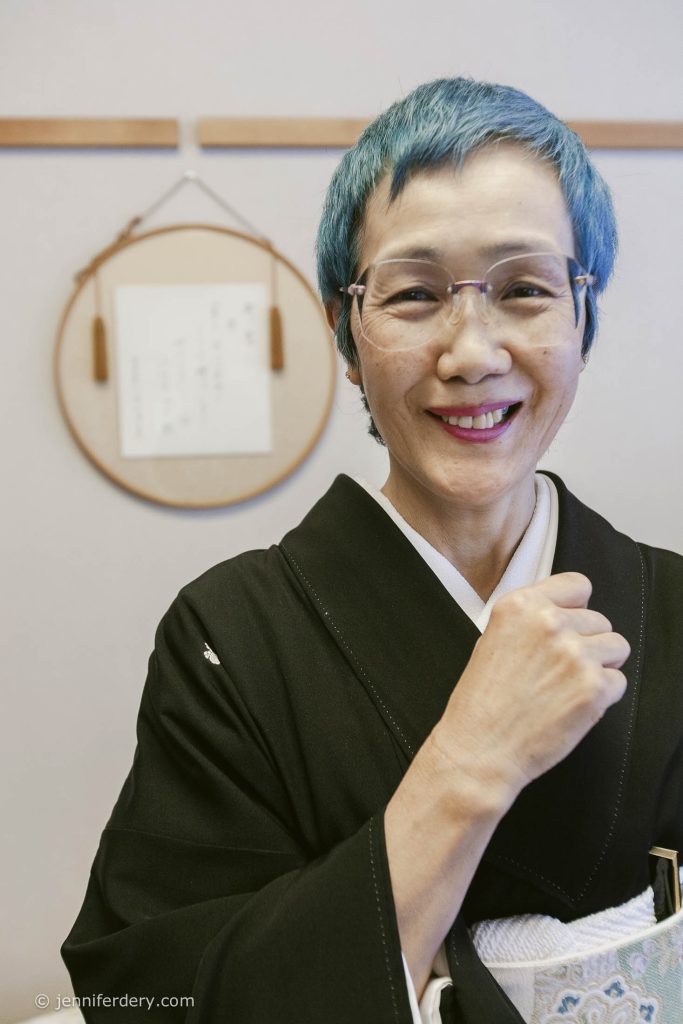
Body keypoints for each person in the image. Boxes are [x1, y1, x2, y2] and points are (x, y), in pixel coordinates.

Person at [62, 78, 683, 1023]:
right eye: (414, 294)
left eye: (524, 289)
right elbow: (144, 993)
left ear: (581, 317)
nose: (471, 353)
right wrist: (468, 762)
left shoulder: (673, 608)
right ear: (347, 335)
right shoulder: (231, 637)